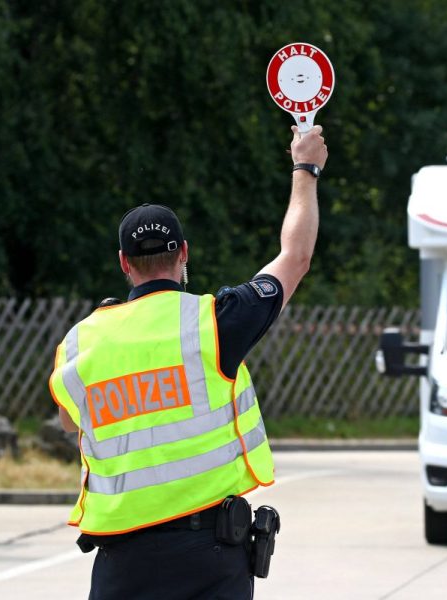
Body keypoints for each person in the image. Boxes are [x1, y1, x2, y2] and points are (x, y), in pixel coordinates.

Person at [48, 125, 328, 600]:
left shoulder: (80, 343)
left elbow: (69, 422)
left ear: (123, 263)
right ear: (183, 254)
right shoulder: (216, 322)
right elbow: (295, 257)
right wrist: (305, 169)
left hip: (123, 564)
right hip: (209, 556)